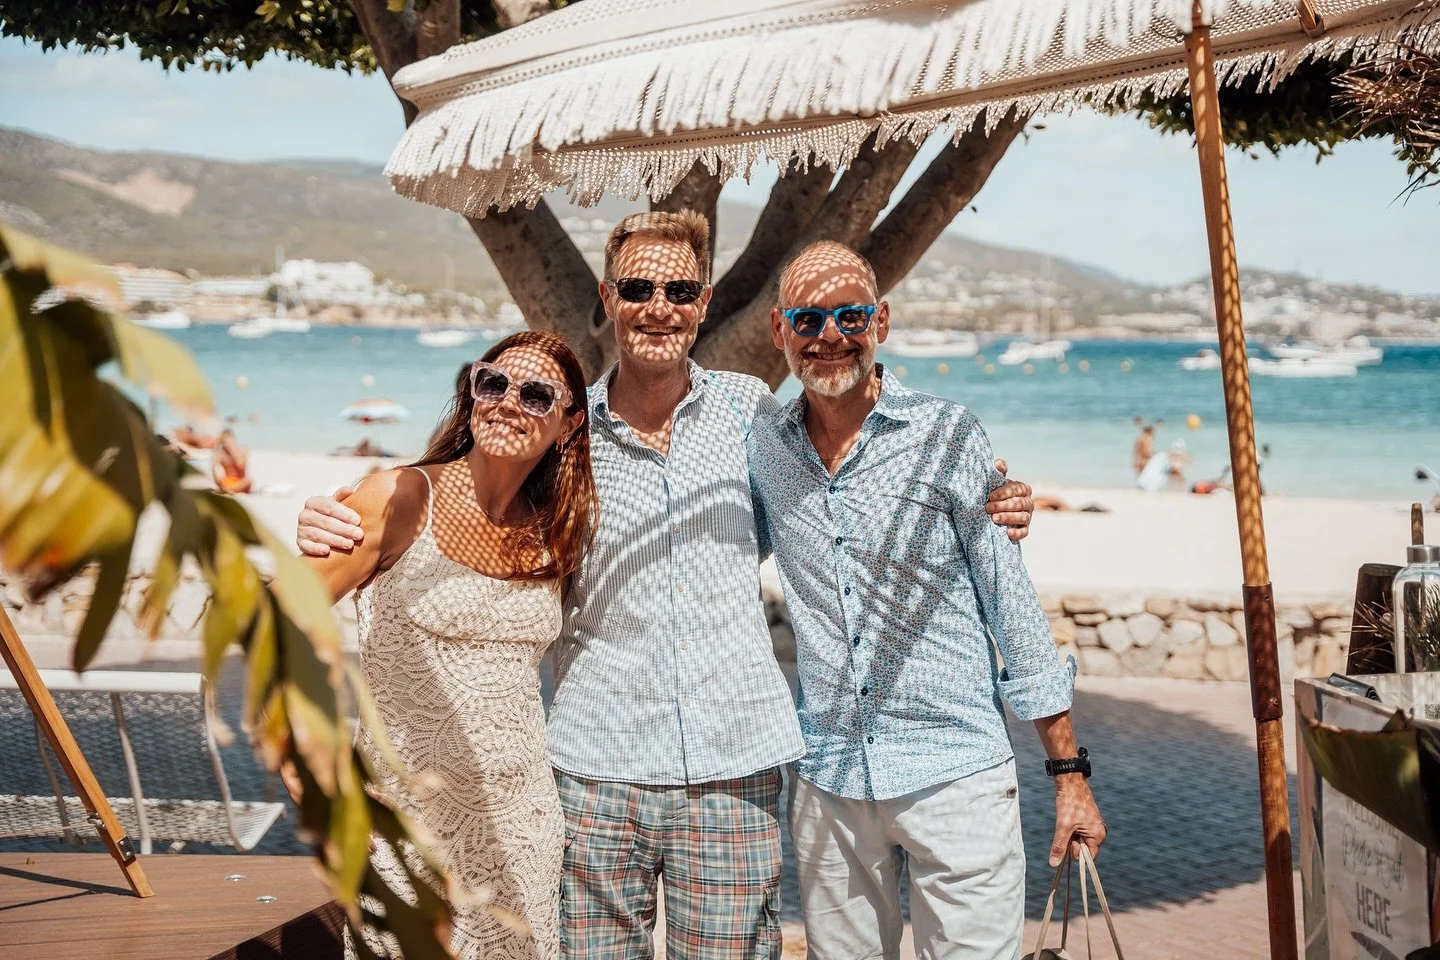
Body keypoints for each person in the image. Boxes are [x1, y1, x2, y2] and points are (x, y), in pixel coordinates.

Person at [296, 211, 1036, 959]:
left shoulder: (753, 416)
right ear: (608, 296)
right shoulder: (564, 436)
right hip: (594, 769)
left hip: (733, 766)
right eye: (640, 287)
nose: (660, 306)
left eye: (679, 289)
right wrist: (341, 517)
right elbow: (477, 497)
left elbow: (841, 487)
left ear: (705, 301)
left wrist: (988, 493)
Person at [749, 241, 1105, 959]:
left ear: (880, 320)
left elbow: (1012, 607)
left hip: (956, 775)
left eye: (849, 315)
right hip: (830, 779)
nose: (829, 335)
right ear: (779, 330)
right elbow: (713, 557)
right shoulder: (764, 449)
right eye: (808, 318)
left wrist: (1070, 776)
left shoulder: (948, 435)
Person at [300, 331, 595, 960]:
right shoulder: (400, 496)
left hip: (521, 827)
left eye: (537, 394)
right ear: (472, 391)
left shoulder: (555, 529)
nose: (508, 402)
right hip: (404, 824)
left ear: (568, 425)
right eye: (493, 382)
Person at [211, 429, 253, 494]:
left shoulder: (243, 449)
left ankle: (228, 489)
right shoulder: (221, 454)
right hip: (228, 481)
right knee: (219, 478)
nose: (225, 442)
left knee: (248, 480)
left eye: (227, 439)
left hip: (241, 482)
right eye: (223, 440)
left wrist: (231, 447)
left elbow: (240, 464)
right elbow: (215, 470)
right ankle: (228, 489)